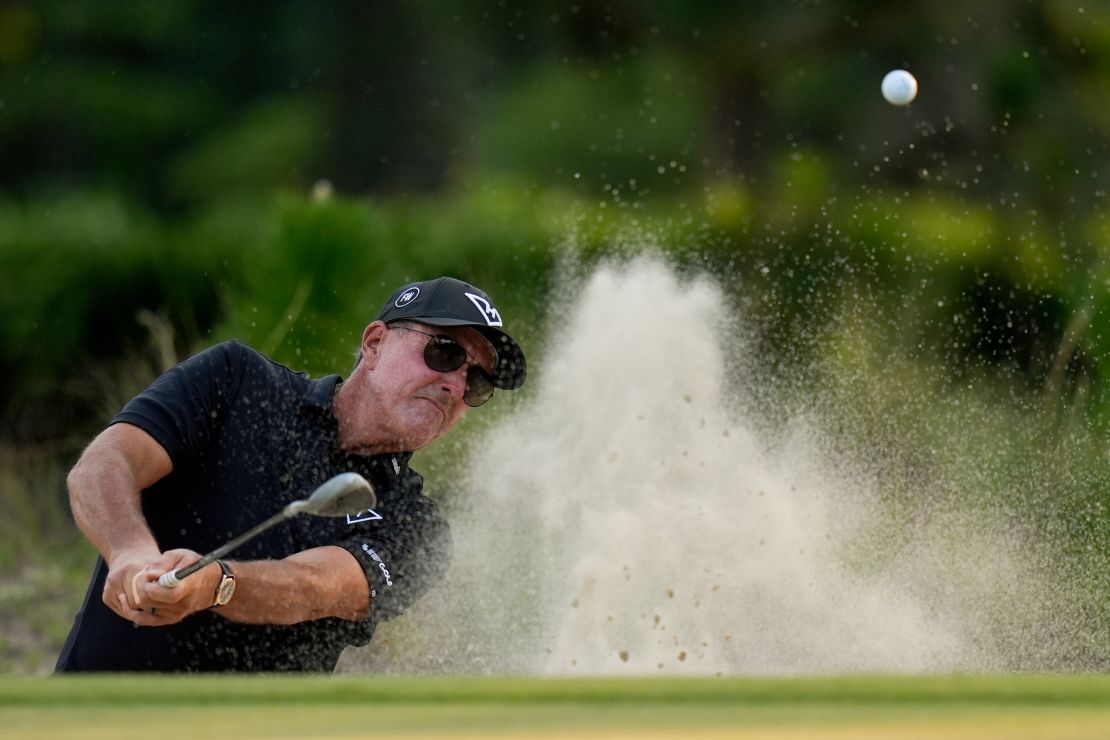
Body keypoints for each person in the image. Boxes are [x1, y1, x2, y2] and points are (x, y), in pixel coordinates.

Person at [55, 276, 526, 672]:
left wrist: (217, 584)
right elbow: (107, 462)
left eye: (478, 382)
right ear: (375, 343)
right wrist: (130, 552)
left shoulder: (418, 527)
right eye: (444, 352)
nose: (456, 384)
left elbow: (316, 587)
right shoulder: (237, 381)